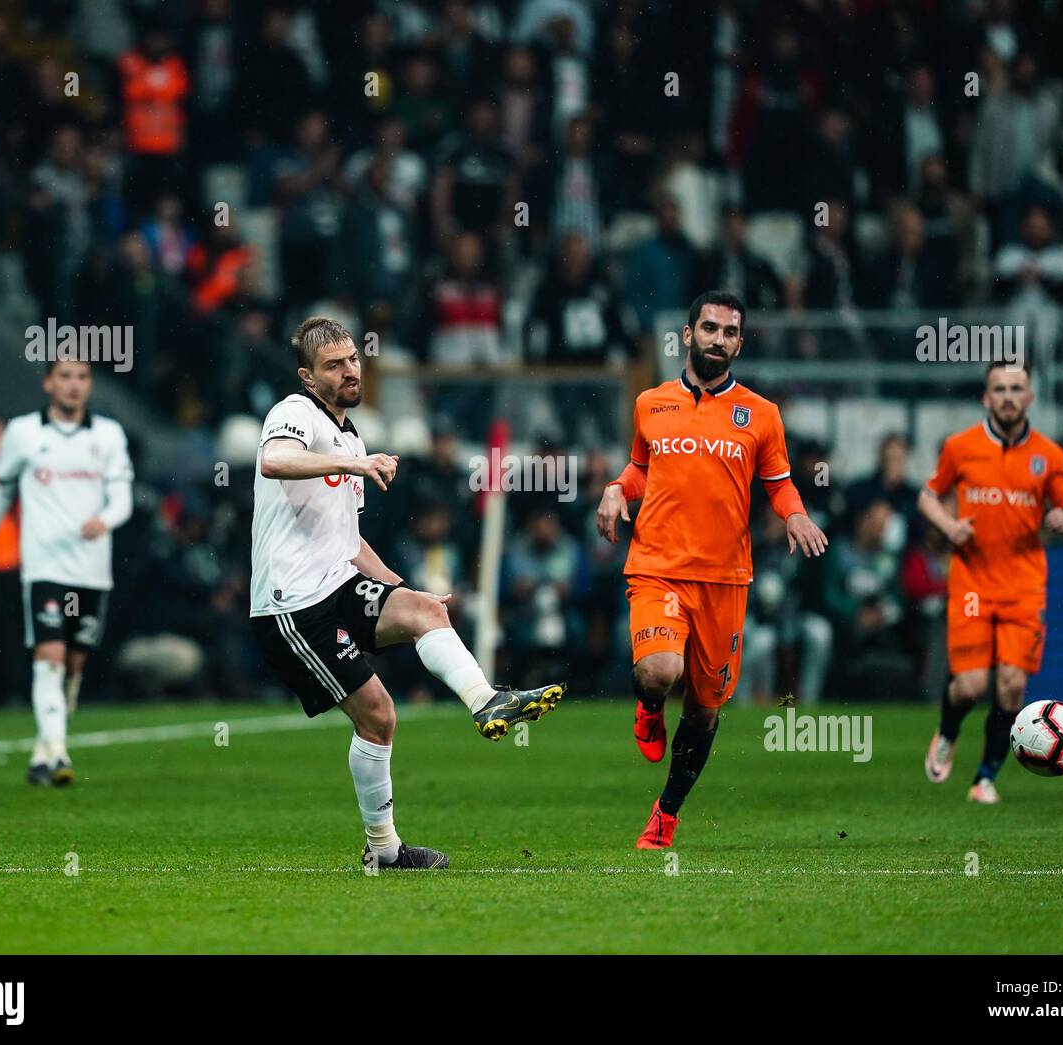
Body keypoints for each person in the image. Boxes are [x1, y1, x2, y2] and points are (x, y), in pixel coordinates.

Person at [249, 316, 564, 872]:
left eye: (352, 359)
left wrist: (403, 588)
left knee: (425, 609)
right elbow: (274, 461)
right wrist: (355, 463)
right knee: (379, 716)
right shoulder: (294, 414)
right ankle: (384, 851)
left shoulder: (351, 436)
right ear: (307, 376)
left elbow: (350, 542)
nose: (349, 370)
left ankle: (485, 700)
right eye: (333, 365)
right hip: (291, 603)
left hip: (336, 582)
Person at [595, 291, 827, 848]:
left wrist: (795, 515)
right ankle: (649, 707)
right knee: (658, 672)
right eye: (709, 328)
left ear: (739, 343)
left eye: (729, 332)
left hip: (725, 580)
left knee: (703, 711)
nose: (718, 339)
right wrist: (613, 489)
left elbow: (778, 482)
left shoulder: (762, 414)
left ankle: (666, 814)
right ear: (688, 333)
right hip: (657, 566)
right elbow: (638, 467)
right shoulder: (651, 402)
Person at [919, 362, 1063, 804]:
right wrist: (950, 528)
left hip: (1024, 586)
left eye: (1017, 388)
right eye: (1000, 389)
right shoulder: (960, 447)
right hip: (972, 582)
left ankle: (985, 778)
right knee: (970, 686)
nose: (1009, 396)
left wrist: (1062, 519)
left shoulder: (1049, 455)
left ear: (1030, 397)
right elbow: (928, 495)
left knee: (1011, 685)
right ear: (985, 398)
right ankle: (949, 731)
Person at [0, 361, 135, 786]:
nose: (73, 385)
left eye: (81, 378)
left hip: (92, 571)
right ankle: (59, 754)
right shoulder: (23, 432)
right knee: (50, 657)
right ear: (48, 382)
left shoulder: (108, 435)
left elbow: (123, 497)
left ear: (90, 385)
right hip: (44, 566)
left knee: (74, 666)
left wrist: (106, 519)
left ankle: (43, 751)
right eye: (65, 377)